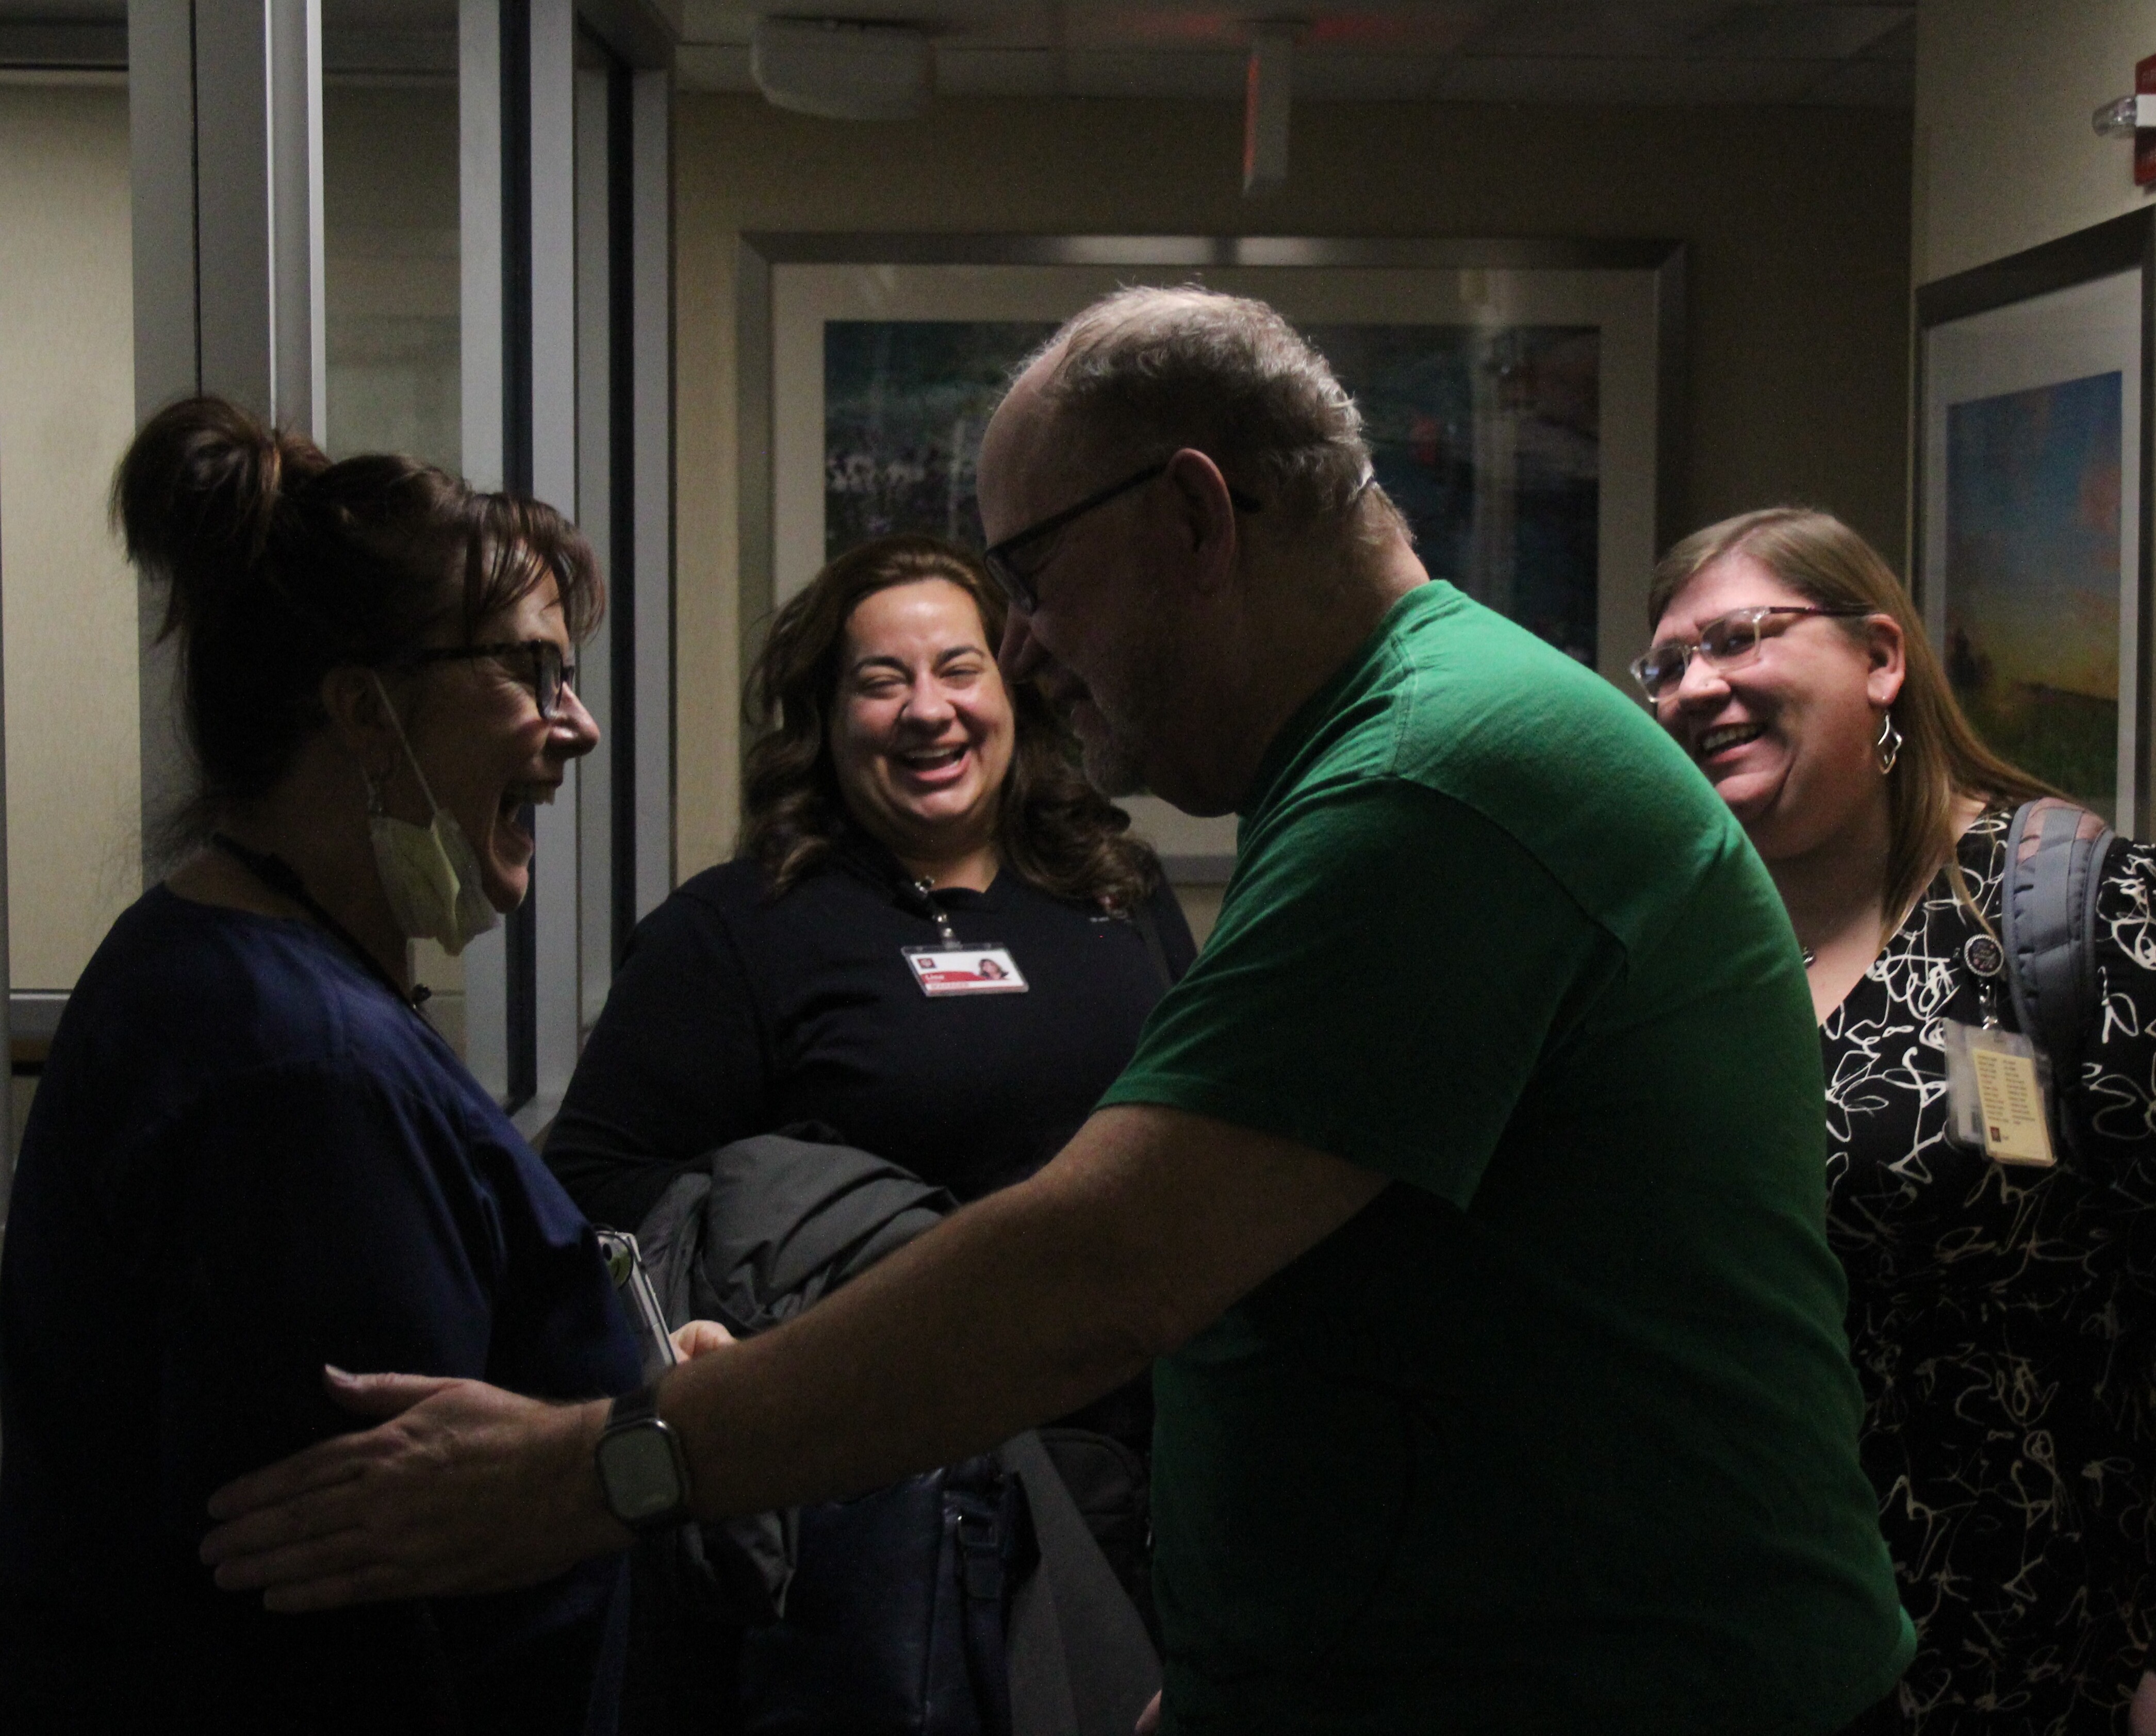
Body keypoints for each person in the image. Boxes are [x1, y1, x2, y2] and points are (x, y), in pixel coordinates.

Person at [200, 289, 1913, 1734]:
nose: (1025, 646)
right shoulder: (1393, 755)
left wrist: (598, 1466)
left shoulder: (1444, 784)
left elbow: (1094, 1277)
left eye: (1034, 576)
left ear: (1192, 517)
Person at [0, 397, 715, 1734]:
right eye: (530, 673)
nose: (577, 729)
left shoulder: (232, 975)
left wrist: (640, 1379)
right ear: (365, 713)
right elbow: (356, 1616)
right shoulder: (294, 1074)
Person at [1637, 507, 2156, 1735]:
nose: (1696, 688)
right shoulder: (1683, 941)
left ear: (1880, 657)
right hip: (1748, 1639)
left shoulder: (2067, 913)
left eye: (1738, 638)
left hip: (2023, 1642)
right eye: (1666, 664)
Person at [541, 533, 1192, 1723]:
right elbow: (592, 1182)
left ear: (1014, 691)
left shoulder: (1120, 897)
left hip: (1132, 1474)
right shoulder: (736, 930)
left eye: (959, 669)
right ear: (824, 718)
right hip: (882, 1501)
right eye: (880, 682)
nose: (926, 711)